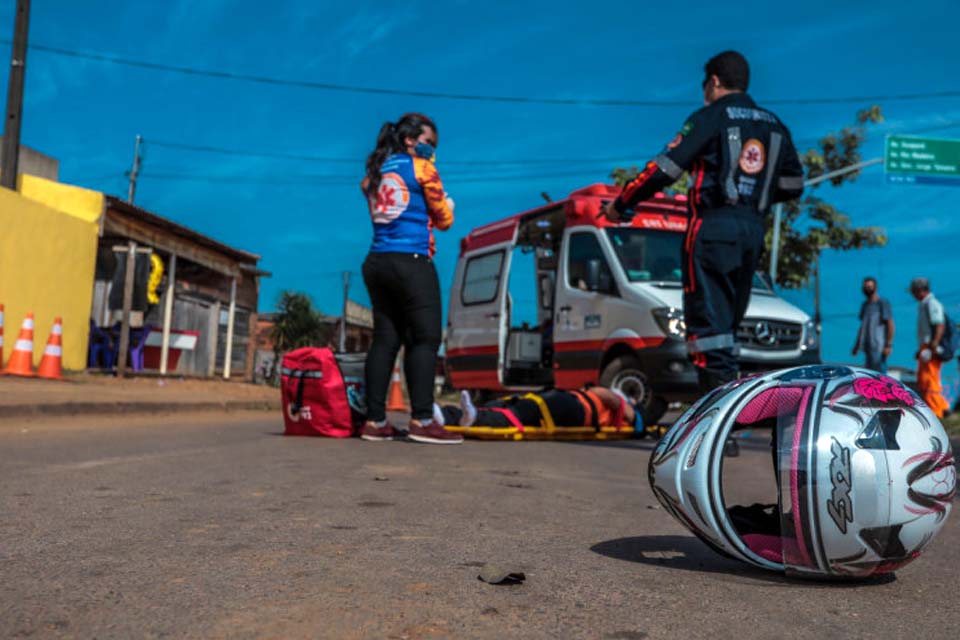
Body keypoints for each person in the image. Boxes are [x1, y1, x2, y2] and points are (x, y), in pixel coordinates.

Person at [601, 51, 804, 394]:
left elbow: (666, 168)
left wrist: (621, 204)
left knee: (708, 329)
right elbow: (793, 185)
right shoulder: (775, 125)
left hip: (712, 228)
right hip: (753, 231)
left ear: (713, 82)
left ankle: (715, 426)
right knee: (729, 325)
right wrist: (756, 195)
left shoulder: (711, 117)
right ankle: (728, 418)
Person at [359, 113, 462, 444]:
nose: (432, 150)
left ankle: (374, 422)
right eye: (429, 142)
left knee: (386, 339)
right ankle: (422, 420)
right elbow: (443, 220)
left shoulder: (374, 175)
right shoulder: (423, 169)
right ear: (410, 140)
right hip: (412, 261)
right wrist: (448, 205)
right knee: (426, 338)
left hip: (376, 262)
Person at [435, 387, 642, 432]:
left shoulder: (628, 411)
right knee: (512, 404)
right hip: (570, 403)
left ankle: (473, 416)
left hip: (578, 409)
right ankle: (444, 414)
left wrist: (621, 401)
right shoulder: (616, 403)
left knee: (525, 410)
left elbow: (605, 395)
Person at [910, 277, 950, 418]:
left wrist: (933, 344)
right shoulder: (924, 304)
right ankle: (942, 407)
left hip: (931, 346)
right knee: (924, 378)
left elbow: (939, 324)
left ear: (920, 290)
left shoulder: (932, 303)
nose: (913, 295)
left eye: (914, 291)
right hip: (926, 346)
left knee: (929, 379)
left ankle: (936, 412)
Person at [851, 276, 894, 373]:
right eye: (865, 287)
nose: (867, 289)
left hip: (879, 347)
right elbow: (862, 327)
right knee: (869, 376)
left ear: (875, 288)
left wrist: (889, 345)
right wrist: (857, 345)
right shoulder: (865, 305)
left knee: (880, 377)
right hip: (867, 348)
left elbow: (890, 324)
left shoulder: (882, 303)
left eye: (870, 287)